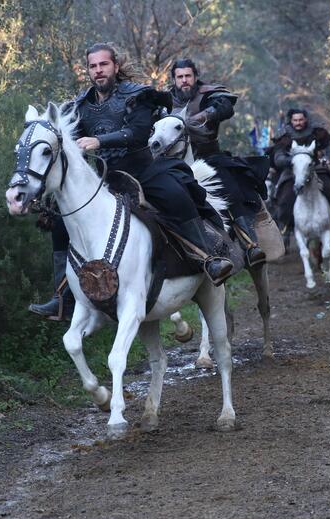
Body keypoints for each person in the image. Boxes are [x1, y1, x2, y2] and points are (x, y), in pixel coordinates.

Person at [28, 44, 233, 320]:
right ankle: (63, 296)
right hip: (103, 177)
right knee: (62, 225)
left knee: (175, 194)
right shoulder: (79, 106)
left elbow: (137, 133)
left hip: (143, 170)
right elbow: (64, 143)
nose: (98, 70)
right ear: (87, 70)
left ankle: (207, 258)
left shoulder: (138, 96)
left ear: (115, 66)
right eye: (93, 66)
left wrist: (99, 140)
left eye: (103, 64)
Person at [167, 58, 270, 267]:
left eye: (188, 76)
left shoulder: (207, 94)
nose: (184, 81)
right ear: (174, 79)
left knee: (230, 189)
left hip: (210, 157)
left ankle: (250, 244)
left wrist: (205, 115)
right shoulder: (165, 100)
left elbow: (225, 106)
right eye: (180, 77)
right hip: (175, 162)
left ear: (195, 76)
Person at [267, 109, 330, 235]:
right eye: (295, 120)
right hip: (292, 171)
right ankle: (285, 227)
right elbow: (278, 157)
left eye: (301, 120)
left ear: (305, 119)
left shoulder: (316, 132)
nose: (298, 123)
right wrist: (292, 161)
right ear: (291, 121)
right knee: (284, 198)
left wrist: (327, 157)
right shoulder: (284, 136)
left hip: (316, 167)